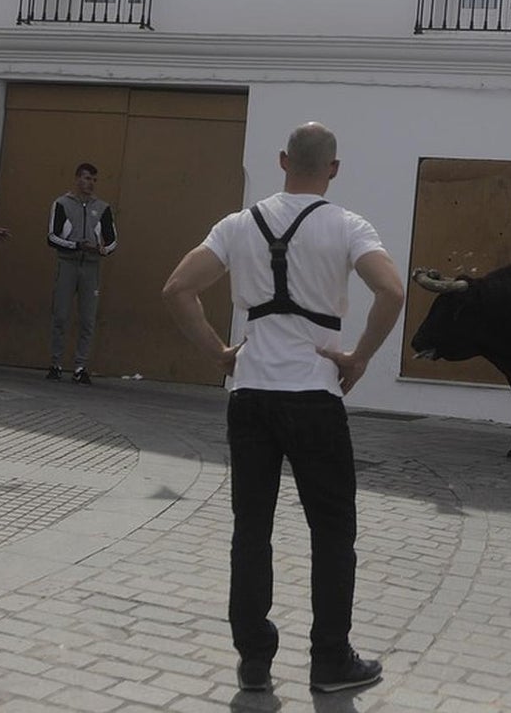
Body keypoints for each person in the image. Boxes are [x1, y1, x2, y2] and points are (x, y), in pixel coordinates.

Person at [162, 122, 404, 694]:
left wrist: (221, 353)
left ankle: (254, 663)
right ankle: (329, 661)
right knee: (333, 530)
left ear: (281, 161)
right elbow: (392, 291)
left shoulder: (238, 224)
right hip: (315, 396)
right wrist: (358, 358)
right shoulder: (348, 226)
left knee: (251, 530)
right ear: (334, 169)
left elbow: (176, 288)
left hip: (250, 397)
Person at [45, 163, 117, 384]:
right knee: (61, 315)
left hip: (91, 267)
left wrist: (103, 250)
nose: (90, 183)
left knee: (87, 318)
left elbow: (112, 239)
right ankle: (56, 364)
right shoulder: (62, 204)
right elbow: (52, 236)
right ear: (77, 179)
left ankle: (80, 366)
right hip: (68, 263)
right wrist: (75, 246)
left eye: (94, 180)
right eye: (87, 178)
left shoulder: (102, 207)